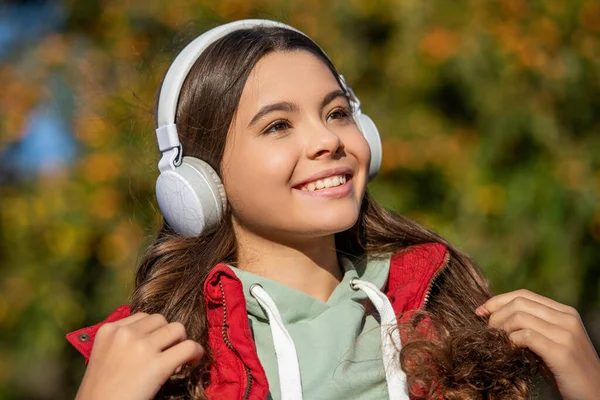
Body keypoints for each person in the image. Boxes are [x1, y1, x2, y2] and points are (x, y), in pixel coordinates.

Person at [67, 19, 600, 400]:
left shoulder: (454, 317)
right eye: (278, 125)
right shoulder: (166, 364)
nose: (328, 139)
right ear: (197, 179)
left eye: (338, 113)